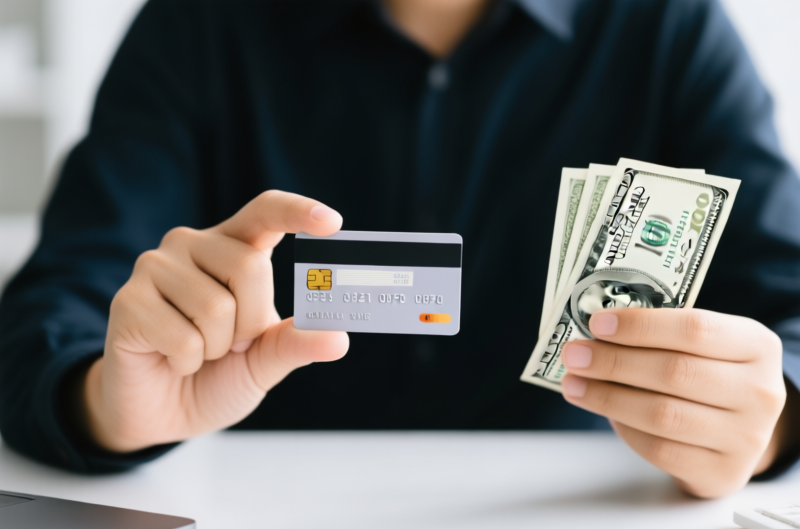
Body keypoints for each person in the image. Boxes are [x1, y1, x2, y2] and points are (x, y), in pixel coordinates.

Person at [1, 0, 799, 499]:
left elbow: (789, 296)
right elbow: (49, 312)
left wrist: (769, 422)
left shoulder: (671, 24)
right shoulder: (197, 22)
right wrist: (107, 406)